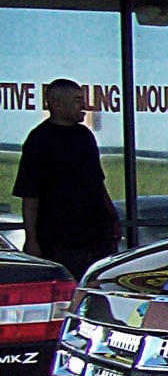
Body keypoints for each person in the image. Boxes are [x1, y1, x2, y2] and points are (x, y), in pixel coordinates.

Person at [11, 78, 120, 279]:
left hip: (96, 237)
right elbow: (30, 197)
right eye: (78, 99)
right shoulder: (39, 141)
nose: (84, 106)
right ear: (57, 104)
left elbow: (97, 182)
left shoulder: (85, 137)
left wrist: (112, 216)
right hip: (60, 240)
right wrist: (32, 240)